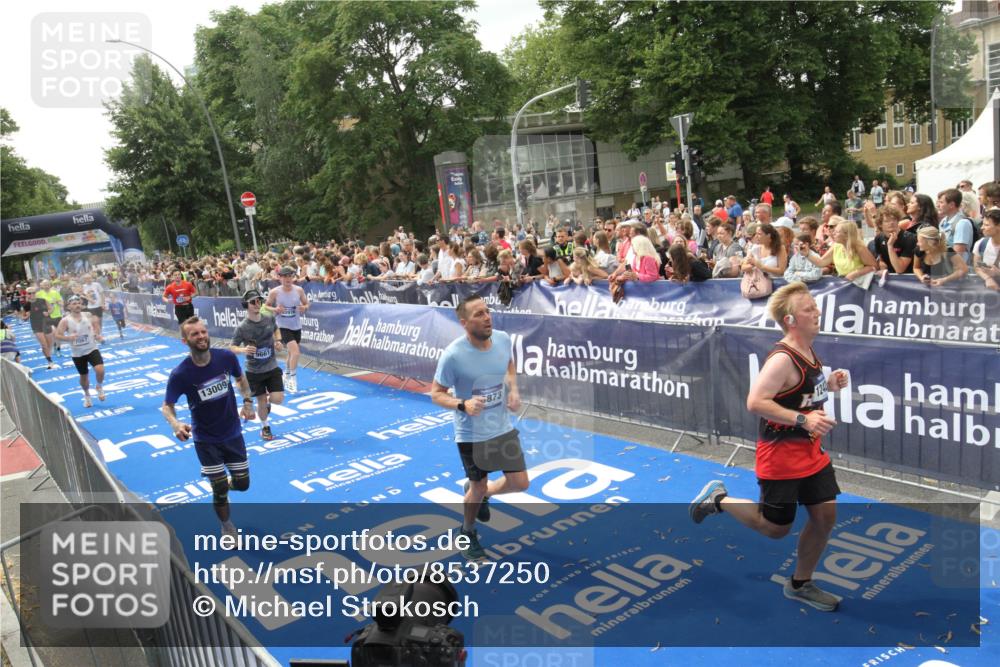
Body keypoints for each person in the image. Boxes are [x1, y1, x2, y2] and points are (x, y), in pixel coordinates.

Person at [690, 281, 850, 612]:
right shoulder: (782, 358)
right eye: (808, 309)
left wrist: (829, 385)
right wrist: (805, 421)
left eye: (814, 306)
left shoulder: (808, 349)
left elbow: (801, 394)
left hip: (812, 456)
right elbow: (756, 402)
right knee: (775, 529)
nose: (816, 312)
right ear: (791, 320)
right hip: (781, 460)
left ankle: (800, 584)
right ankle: (719, 499)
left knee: (825, 518)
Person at [430, 295, 528, 561]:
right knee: (478, 486)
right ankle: (468, 531)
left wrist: (514, 389)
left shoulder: (503, 339)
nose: (487, 318)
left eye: (488, 312)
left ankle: (483, 495)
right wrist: (463, 404)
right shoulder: (453, 355)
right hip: (472, 434)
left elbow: (508, 363)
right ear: (464, 323)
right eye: (479, 314)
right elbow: (436, 394)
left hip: (502, 426)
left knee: (520, 483)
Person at [163, 317, 256, 538]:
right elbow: (167, 406)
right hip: (205, 440)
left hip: (233, 434)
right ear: (185, 341)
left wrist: (248, 401)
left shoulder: (226, 357)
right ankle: (226, 526)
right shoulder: (180, 374)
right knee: (220, 489)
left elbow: (241, 379)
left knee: (242, 485)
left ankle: (225, 486)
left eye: (203, 332)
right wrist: (176, 424)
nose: (201, 336)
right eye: (194, 334)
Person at [230, 290, 285, 441]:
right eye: (253, 302)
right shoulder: (242, 327)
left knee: (278, 398)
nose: (257, 304)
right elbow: (232, 347)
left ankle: (266, 405)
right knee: (261, 400)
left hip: (272, 366)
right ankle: (265, 427)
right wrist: (243, 349)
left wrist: (278, 341)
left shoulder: (268, 318)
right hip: (254, 370)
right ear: (246, 305)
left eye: (258, 301)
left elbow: (276, 329)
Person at [54, 295, 105, 408]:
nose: (77, 305)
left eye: (78, 303)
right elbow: (57, 335)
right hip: (77, 353)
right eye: (74, 303)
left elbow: (95, 327)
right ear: (69, 307)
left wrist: (97, 335)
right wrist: (69, 338)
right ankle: (87, 395)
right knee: (84, 377)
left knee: (100, 369)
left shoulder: (87, 315)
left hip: (92, 348)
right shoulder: (65, 320)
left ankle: (99, 386)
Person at [265, 266, 309, 393]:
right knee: (296, 352)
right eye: (285, 276)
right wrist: (275, 309)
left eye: (290, 276)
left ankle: (286, 373)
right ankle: (292, 380)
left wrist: (304, 308)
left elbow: (306, 304)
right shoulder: (275, 292)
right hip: (282, 326)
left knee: (291, 353)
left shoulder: (299, 290)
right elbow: (265, 307)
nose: (288, 279)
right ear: (279, 278)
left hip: (296, 326)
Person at [972, 209, 1000, 291]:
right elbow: (977, 267)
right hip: (988, 293)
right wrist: (988, 279)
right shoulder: (981, 243)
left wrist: (997, 273)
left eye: (986, 225)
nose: (982, 228)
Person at [27, 287, 55, 369]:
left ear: (36, 293)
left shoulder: (43, 300)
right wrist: (25, 316)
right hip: (36, 325)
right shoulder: (27, 304)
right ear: (27, 294)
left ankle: (48, 354)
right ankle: (50, 361)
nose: (32, 295)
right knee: (44, 345)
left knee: (49, 344)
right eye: (29, 293)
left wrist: (48, 312)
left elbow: (51, 308)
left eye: (33, 293)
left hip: (46, 323)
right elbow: (23, 316)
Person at [36, 279, 63, 356]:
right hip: (46, 317)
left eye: (48, 284)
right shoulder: (39, 294)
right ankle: (53, 346)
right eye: (45, 285)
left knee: (59, 334)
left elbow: (61, 303)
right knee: (52, 333)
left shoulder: (55, 293)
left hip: (57, 315)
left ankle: (58, 349)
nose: (46, 286)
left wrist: (57, 302)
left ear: (50, 285)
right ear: (42, 286)